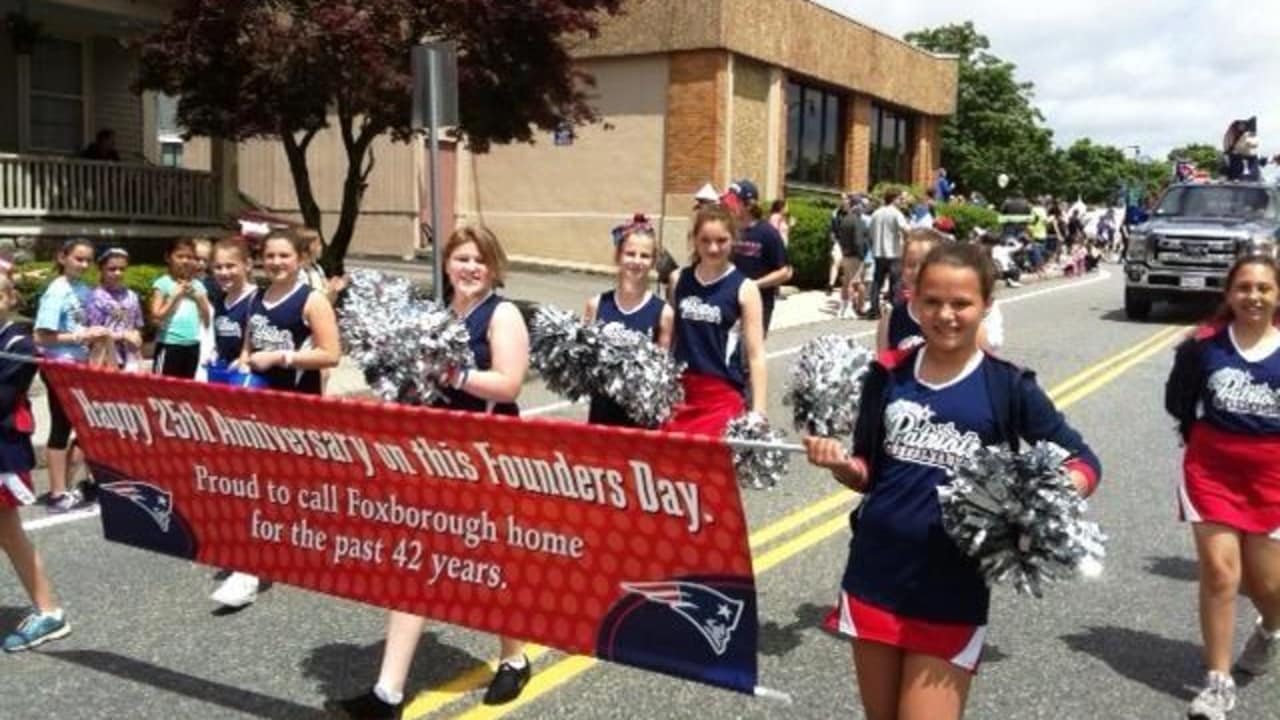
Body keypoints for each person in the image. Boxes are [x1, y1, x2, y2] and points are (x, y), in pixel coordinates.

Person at [805, 242, 1100, 720]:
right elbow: (868, 474)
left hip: (953, 588)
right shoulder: (886, 375)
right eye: (933, 302)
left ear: (986, 305)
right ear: (914, 303)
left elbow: (1083, 460)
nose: (946, 314)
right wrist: (840, 464)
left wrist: (1047, 498)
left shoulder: (1007, 386)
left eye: (961, 303)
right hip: (874, 575)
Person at [328, 226, 532, 719]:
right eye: (462, 258)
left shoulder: (501, 313)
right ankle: (389, 692)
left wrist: (452, 374)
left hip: (489, 453)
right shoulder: (438, 316)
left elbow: (509, 383)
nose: (470, 268)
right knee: (415, 560)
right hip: (437, 453)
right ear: (446, 263)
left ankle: (515, 656)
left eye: (480, 260)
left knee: (491, 561)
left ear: (494, 266)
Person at [1165, 255, 1280, 720]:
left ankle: (1270, 628)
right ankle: (1218, 681)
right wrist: (1201, 442)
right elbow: (1178, 401)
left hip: (1273, 476)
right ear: (1230, 294)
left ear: (1277, 295)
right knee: (1219, 572)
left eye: (1264, 288)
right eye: (1245, 287)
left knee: (1266, 584)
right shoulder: (1204, 345)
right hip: (1212, 472)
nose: (1253, 296)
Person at [209, 230, 341, 610]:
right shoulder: (258, 299)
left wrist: (283, 358)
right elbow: (250, 345)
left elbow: (331, 353)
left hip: (297, 406)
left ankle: (293, 549)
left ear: (299, 258)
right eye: (270, 256)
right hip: (260, 405)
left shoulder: (311, 300)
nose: (277, 262)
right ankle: (249, 569)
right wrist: (243, 361)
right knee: (257, 484)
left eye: (284, 255)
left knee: (288, 484)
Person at [0, 275, 71, 651]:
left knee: (9, 533)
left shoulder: (17, 344)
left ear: (9, 298)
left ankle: (49, 611)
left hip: (3, 453)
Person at [664, 204, 767, 437]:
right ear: (695, 241)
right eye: (705, 240)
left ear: (733, 240)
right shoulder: (678, 279)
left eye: (721, 240)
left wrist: (759, 411)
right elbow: (669, 338)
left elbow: (756, 354)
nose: (713, 248)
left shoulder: (745, 288)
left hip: (721, 395)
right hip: (680, 392)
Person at [33, 239, 108, 513]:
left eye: (88, 260)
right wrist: (80, 335)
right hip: (59, 367)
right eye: (79, 259)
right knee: (62, 427)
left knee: (85, 426)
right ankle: (56, 492)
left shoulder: (83, 289)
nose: (84, 265)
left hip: (80, 366)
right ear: (62, 258)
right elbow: (41, 336)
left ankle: (70, 484)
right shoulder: (56, 291)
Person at [585, 216, 674, 427]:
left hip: (641, 421)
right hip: (602, 414)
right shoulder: (596, 305)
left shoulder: (664, 313)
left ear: (653, 262)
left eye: (645, 256)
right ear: (618, 256)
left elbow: (662, 374)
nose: (636, 261)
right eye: (630, 253)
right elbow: (585, 364)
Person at [876, 229, 1004, 354]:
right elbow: (884, 369)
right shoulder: (890, 321)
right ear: (902, 270)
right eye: (911, 264)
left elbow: (985, 369)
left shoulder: (962, 319)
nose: (917, 271)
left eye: (924, 264)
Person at [728, 180, 791, 334]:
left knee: (749, 352)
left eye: (734, 201)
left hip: (758, 303)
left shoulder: (768, 234)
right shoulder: (729, 231)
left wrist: (754, 285)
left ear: (748, 205)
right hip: (730, 301)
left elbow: (785, 272)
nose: (729, 205)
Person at [150, 238, 212, 379]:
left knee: (185, 390)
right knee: (162, 388)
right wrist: (174, 297)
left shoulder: (198, 286)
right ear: (168, 257)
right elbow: (156, 316)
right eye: (180, 256)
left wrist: (199, 298)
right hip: (169, 344)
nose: (185, 261)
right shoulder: (163, 283)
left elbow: (207, 320)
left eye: (189, 257)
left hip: (192, 345)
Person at [85, 247, 144, 372]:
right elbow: (95, 334)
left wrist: (136, 336)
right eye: (112, 269)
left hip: (131, 360)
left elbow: (137, 325)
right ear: (101, 269)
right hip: (105, 361)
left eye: (122, 269)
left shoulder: (131, 295)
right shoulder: (95, 297)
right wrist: (123, 336)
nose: (118, 273)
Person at [208, 237, 257, 367]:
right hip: (223, 374)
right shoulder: (219, 300)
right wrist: (214, 354)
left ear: (247, 265)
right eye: (218, 267)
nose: (224, 272)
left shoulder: (257, 300)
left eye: (230, 266)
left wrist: (244, 361)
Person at [867, 188, 909, 319]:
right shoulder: (896, 213)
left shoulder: (876, 213)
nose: (901, 201)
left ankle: (874, 310)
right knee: (895, 282)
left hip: (878, 252)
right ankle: (894, 309)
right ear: (894, 199)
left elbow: (870, 232)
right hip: (893, 252)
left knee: (877, 281)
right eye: (900, 199)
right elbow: (906, 230)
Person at [835, 195, 871, 319]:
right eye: (861, 205)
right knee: (854, 282)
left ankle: (843, 307)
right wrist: (862, 255)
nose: (862, 208)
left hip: (846, 254)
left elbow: (840, 238)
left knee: (846, 282)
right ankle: (850, 308)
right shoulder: (858, 221)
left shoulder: (845, 220)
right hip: (856, 255)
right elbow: (858, 240)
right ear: (857, 206)